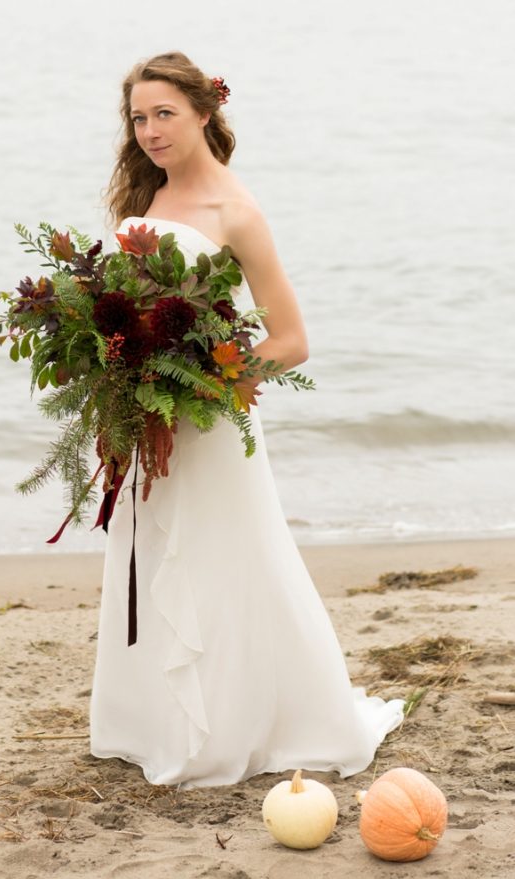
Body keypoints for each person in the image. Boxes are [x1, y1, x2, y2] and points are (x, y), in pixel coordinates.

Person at [89, 51, 404, 789]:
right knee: (150, 556)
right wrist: (118, 385)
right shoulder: (141, 202)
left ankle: (240, 727)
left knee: (228, 564)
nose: (150, 131)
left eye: (165, 113)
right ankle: (150, 724)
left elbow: (290, 340)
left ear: (204, 112)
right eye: (139, 117)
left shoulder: (237, 212)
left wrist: (210, 380)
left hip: (210, 423)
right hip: (148, 421)